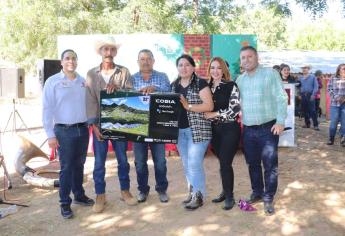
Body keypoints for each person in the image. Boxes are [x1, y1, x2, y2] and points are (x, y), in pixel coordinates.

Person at [85, 36, 137, 213]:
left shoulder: (124, 72)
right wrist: (94, 126)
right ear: (100, 52)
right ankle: (100, 195)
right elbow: (90, 100)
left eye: (112, 49)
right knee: (99, 162)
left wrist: (118, 89)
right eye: (105, 49)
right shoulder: (92, 74)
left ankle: (125, 191)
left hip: (119, 123)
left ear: (115, 52)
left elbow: (131, 96)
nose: (109, 52)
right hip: (99, 125)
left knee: (123, 159)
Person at [42, 49, 94, 219]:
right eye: (67, 58)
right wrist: (50, 134)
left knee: (80, 164)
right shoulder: (53, 81)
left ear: (76, 61)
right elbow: (47, 109)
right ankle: (65, 203)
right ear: (61, 62)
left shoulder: (82, 81)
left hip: (82, 129)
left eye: (73, 58)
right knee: (66, 168)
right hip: (63, 131)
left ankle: (79, 195)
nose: (70, 61)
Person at [236, 46, 288, 215]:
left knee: (270, 166)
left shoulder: (270, 74)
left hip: (268, 129)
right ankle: (257, 192)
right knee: (252, 164)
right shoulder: (240, 80)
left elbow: (281, 98)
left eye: (249, 56)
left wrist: (280, 121)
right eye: (243, 58)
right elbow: (235, 104)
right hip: (249, 130)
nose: (246, 60)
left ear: (257, 57)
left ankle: (268, 197)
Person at [171, 54, 214, 210]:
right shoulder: (173, 85)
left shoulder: (200, 83)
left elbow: (209, 106)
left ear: (193, 67)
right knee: (186, 163)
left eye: (187, 65)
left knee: (194, 163)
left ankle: (199, 195)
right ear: (177, 68)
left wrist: (188, 106)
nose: (184, 68)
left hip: (198, 130)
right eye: (180, 65)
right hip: (179, 131)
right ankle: (192, 192)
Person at [131, 49, 170, 203]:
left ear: (153, 61)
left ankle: (162, 190)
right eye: (142, 59)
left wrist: (156, 89)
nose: (145, 61)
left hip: (158, 125)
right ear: (138, 61)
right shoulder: (131, 79)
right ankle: (143, 190)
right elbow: (125, 97)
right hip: (137, 126)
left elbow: (170, 93)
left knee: (160, 161)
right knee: (140, 162)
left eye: (148, 59)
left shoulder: (162, 77)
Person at [204, 57, 241, 210]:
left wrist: (215, 114)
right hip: (214, 131)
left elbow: (235, 110)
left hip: (229, 129)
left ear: (224, 70)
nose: (215, 71)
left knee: (225, 163)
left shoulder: (231, 85)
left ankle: (230, 196)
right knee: (222, 163)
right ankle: (225, 192)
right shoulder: (206, 87)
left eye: (219, 68)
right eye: (212, 68)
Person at [327, 64, 345, 146]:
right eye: (343, 68)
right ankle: (331, 138)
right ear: (339, 70)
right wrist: (336, 97)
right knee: (333, 123)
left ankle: (343, 139)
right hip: (334, 104)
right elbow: (329, 89)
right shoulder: (333, 78)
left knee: (344, 123)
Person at [299, 65, 320, 130]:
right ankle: (307, 124)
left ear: (308, 69)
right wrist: (299, 94)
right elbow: (298, 86)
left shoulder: (313, 77)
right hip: (303, 95)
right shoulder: (300, 78)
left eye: (306, 68)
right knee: (305, 110)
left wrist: (313, 95)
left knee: (312, 110)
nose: (304, 69)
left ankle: (315, 125)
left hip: (310, 94)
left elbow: (316, 87)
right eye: (303, 68)